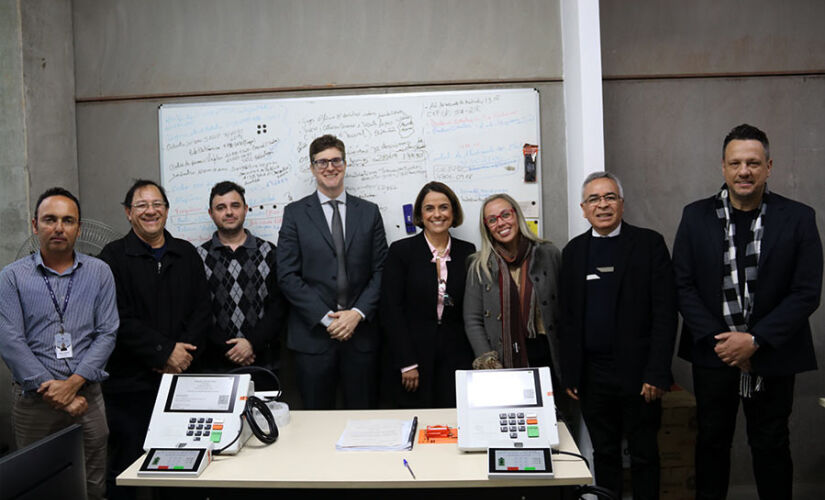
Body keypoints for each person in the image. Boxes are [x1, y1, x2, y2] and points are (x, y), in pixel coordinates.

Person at [673, 124, 822, 500]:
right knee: (711, 444)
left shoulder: (799, 218)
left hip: (773, 353)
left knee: (771, 446)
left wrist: (755, 340)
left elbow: (806, 292)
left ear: (769, 167)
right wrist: (723, 341)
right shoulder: (695, 216)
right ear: (722, 167)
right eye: (736, 163)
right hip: (714, 353)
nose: (744, 171)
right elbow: (683, 286)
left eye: (753, 163)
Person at [559, 172, 677, 499]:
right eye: (594, 199)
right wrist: (572, 373)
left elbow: (666, 314)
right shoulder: (573, 252)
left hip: (641, 375)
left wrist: (657, 372)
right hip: (593, 376)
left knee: (644, 454)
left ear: (622, 204)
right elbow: (567, 319)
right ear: (583, 209)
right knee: (604, 454)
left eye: (610, 197)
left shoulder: (649, 244)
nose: (603, 205)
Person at [0, 187, 118, 499]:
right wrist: (56, 392)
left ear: (79, 228)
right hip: (34, 402)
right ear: (34, 225)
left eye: (68, 220)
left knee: (94, 483)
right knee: (38, 484)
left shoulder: (100, 272)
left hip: (88, 397)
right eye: (50, 220)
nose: (59, 227)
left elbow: (107, 333)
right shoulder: (11, 277)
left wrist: (74, 384)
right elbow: (10, 340)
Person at [99, 179, 212, 499]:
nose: (151, 211)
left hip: (182, 382)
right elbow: (117, 318)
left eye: (157, 204)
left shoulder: (186, 253)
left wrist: (182, 355)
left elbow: (202, 309)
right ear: (128, 213)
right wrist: (163, 353)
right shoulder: (113, 257)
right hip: (130, 385)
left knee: (179, 469)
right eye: (142, 206)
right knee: (125, 469)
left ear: (166, 209)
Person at [276, 134, 388, 409]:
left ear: (345, 164)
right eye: (322, 162)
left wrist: (356, 314)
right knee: (315, 422)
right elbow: (287, 275)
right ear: (313, 168)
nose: (330, 167)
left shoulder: (369, 212)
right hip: (313, 339)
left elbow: (382, 269)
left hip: (360, 337)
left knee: (363, 419)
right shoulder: (295, 214)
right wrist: (328, 319)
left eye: (335, 160)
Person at [381, 181, 476, 408]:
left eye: (443, 207)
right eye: (429, 208)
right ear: (420, 215)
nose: (437, 214)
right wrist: (407, 362)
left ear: (453, 212)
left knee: (453, 423)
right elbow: (390, 310)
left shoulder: (467, 251)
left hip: (456, 357)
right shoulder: (401, 251)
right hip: (414, 358)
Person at [198, 181, 287, 388]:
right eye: (221, 207)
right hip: (216, 364)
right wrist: (230, 348)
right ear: (211, 213)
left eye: (235, 206)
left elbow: (278, 307)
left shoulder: (269, 253)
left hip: (263, 360)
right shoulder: (198, 258)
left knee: (263, 420)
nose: (229, 212)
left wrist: (251, 344)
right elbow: (198, 313)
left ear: (245, 209)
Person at [463, 193, 562, 377]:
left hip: (547, 357)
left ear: (516, 215)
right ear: (486, 226)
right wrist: (489, 363)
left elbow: (565, 310)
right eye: (492, 220)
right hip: (501, 361)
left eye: (505, 215)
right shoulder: (479, 265)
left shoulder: (549, 254)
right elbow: (473, 320)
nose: (500, 223)